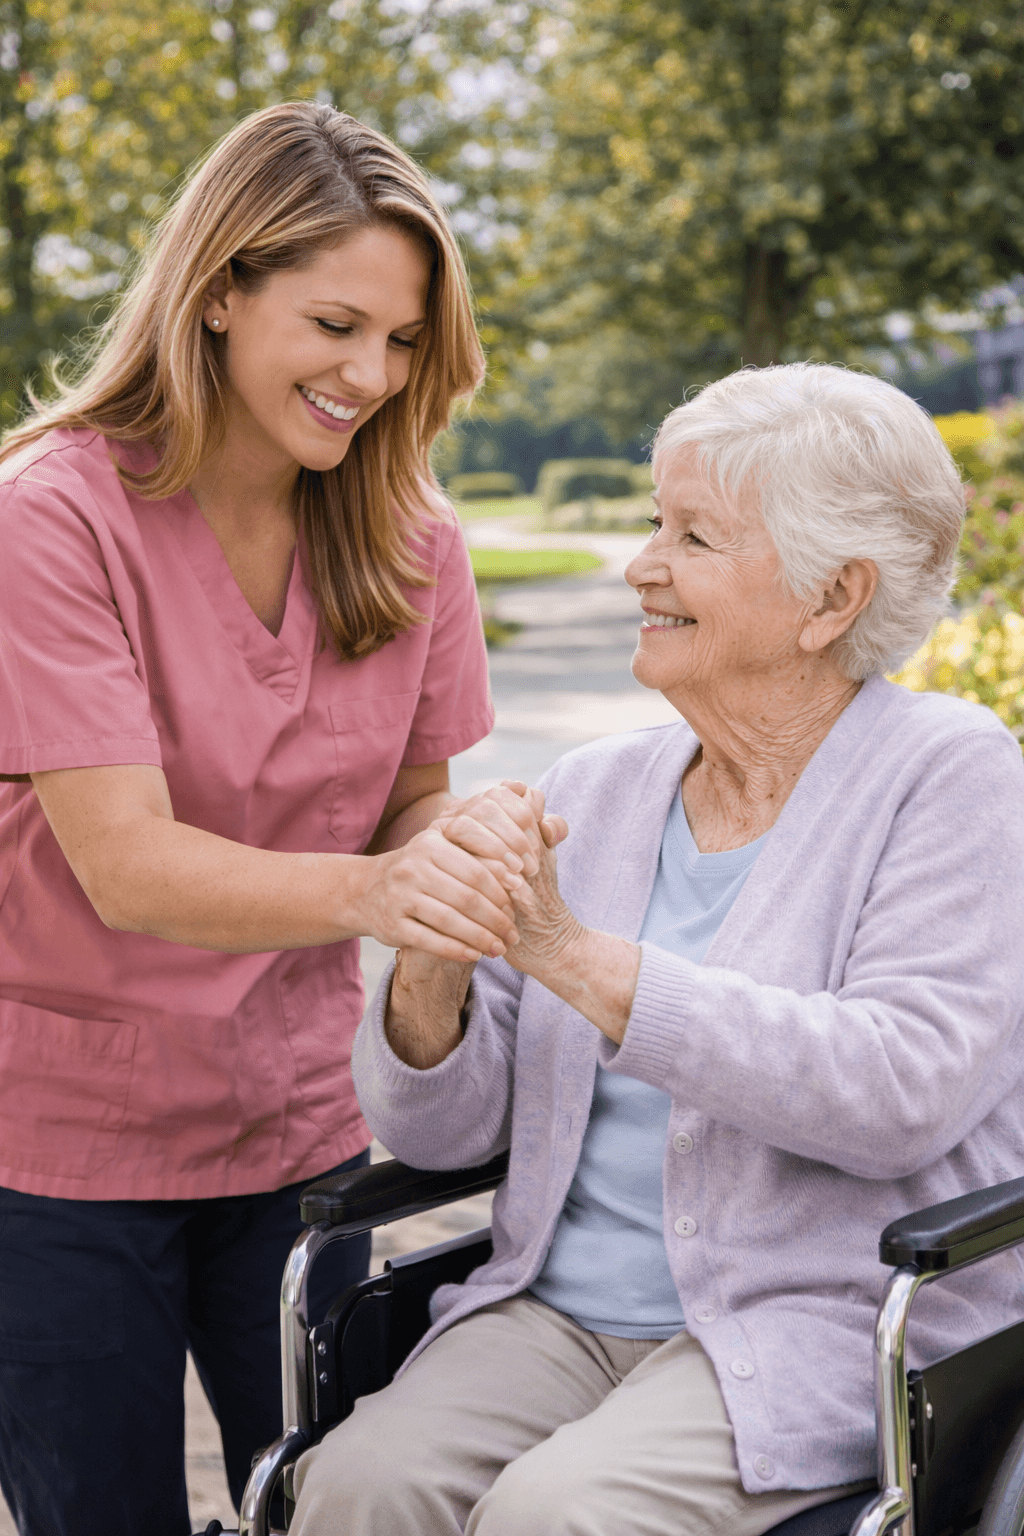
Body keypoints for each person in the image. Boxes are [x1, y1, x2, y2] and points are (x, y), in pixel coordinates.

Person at [291, 363, 1024, 1536]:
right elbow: (439, 1135)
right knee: (356, 1488)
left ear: (832, 596)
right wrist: (430, 960)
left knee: (553, 1517)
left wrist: (575, 958)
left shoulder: (949, 774)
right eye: (651, 522)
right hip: (551, 1314)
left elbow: (901, 1088)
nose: (642, 563)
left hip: (810, 1326)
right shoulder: (600, 788)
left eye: (692, 535)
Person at [0, 102, 540, 1536]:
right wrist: (381, 899)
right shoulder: (53, 519)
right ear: (221, 291)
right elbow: (126, 868)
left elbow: (415, 809)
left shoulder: (410, 535)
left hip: (299, 1129)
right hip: (56, 1153)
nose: (372, 374)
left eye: (406, 340)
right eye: (336, 323)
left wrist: (475, 866)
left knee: (328, 1502)